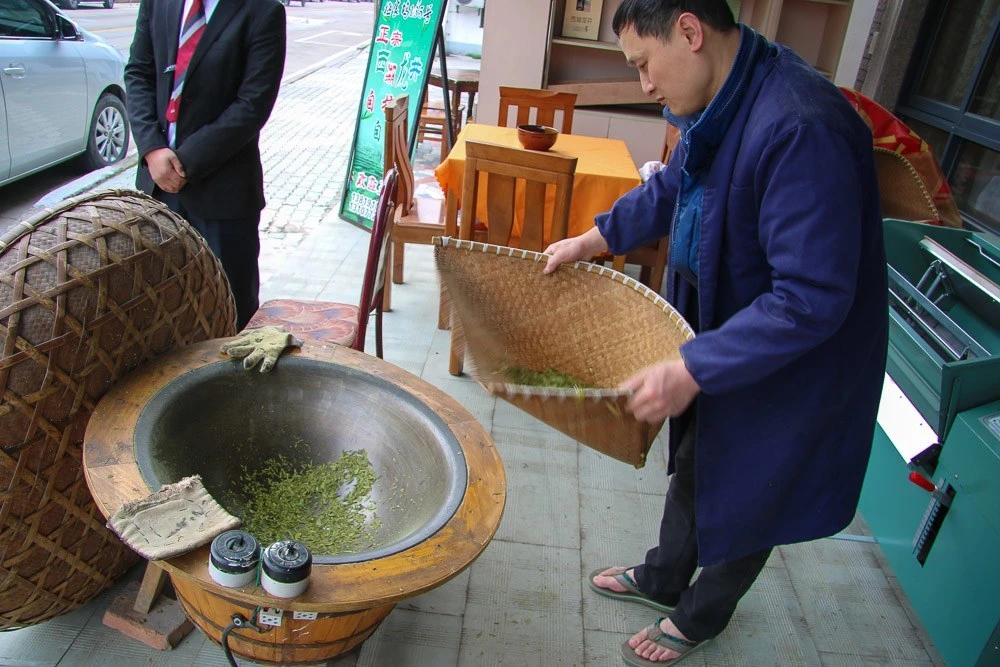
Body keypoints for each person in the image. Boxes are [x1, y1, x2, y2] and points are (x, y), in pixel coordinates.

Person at [543, 1, 887, 665]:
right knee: (698, 458)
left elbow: (813, 296)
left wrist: (690, 367)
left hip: (790, 346)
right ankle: (664, 573)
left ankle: (702, 614)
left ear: (690, 31)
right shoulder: (723, 97)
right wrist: (593, 238)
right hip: (725, 321)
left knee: (756, 482)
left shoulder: (800, 124)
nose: (644, 84)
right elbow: (673, 185)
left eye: (645, 63)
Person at [125, 0, 286, 330]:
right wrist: (152, 148)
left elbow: (252, 105)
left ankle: (233, 383)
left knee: (229, 311)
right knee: (158, 307)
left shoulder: (263, 11)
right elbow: (138, 73)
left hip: (223, 195)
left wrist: (185, 162)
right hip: (158, 188)